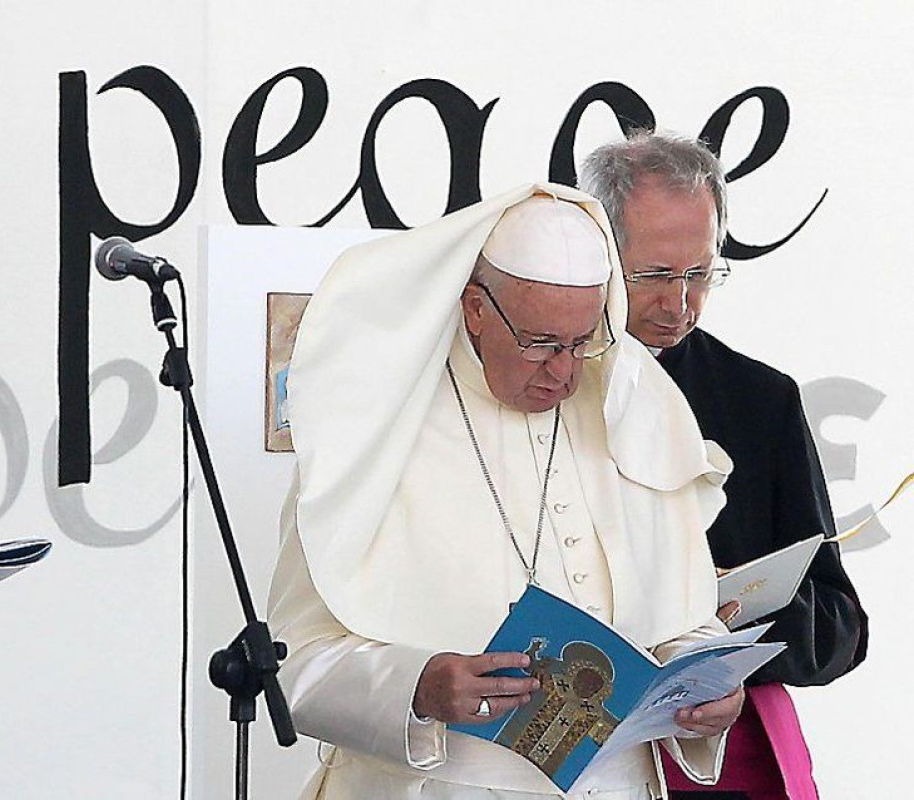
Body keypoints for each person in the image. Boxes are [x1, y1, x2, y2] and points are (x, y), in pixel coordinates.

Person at [268, 182, 744, 800]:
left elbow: (680, 612)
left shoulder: (633, 415)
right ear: (475, 308)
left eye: (581, 343)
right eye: (540, 344)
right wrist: (416, 686)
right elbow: (292, 662)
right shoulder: (376, 432)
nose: (564, 372)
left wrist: (707, 683)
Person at [580, 133, 867, 800]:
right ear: (595, 251)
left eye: (701, 274)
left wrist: (723, 617)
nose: (679, 303)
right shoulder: (534, 385)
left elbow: (840, 627)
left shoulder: (759, 398)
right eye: (655, 275)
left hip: (728, 756)